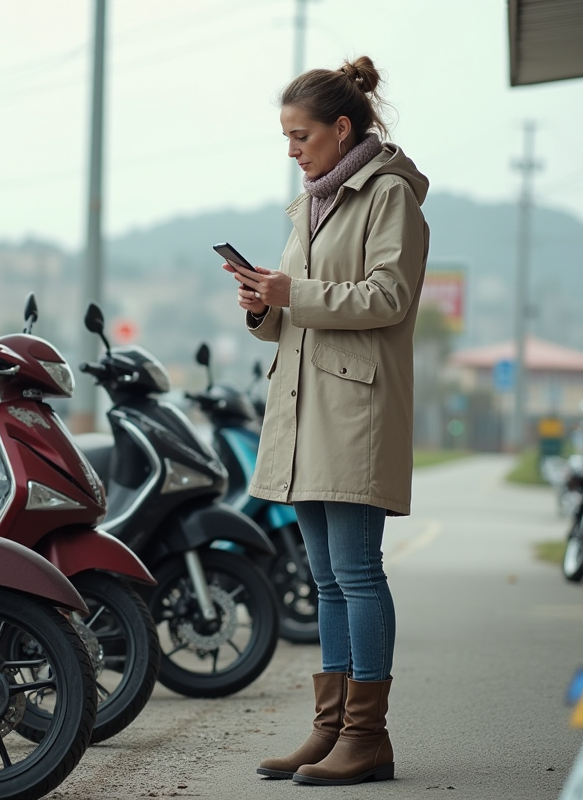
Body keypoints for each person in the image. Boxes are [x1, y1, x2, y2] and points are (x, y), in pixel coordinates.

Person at [224, 55, 429, 786]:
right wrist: (263, 305)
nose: (291, 150)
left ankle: (367, 737)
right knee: (326, 579)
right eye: (285, 136)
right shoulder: (312, 201)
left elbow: (387, 299)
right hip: (304, 406)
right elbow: (294, 316)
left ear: (342, 129)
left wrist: (294, 291)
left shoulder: (390, 196)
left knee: (357, 571)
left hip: (354, 409)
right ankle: (331, 729)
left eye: (300, 135)